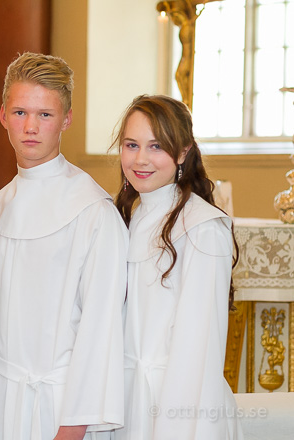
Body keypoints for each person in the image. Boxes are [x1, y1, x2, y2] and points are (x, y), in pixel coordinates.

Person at [0, 52, 128, 440]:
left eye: (45, 115)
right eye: (21, 112)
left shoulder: (93, 212)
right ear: (3, 116)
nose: (31, 127)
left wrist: (72, 427)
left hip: (65, 410)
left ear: (67, 120)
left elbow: (102, 330)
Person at [112, 94, 243, 439]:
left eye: (157, 146)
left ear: (184, 151)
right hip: (125, 402)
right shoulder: (126, 217)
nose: (141, 159)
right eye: (131, 144)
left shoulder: (201, 226)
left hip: (178, 407)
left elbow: (197, 347)